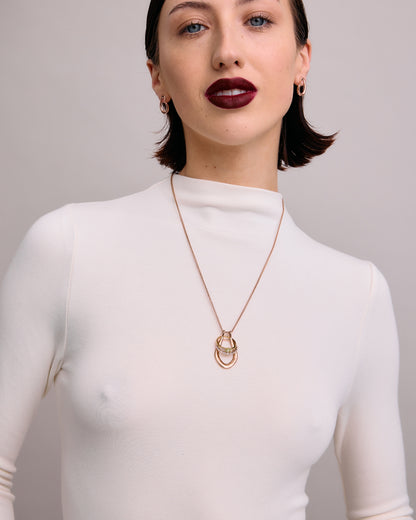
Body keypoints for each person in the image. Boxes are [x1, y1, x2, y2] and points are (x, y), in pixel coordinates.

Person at [0, 0, 413, 518]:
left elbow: (383, 512)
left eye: (257, 20)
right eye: (194, 26)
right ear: (157, 77)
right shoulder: (68, 248)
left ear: (301, 60)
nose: (226, 52)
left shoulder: (358, 294)